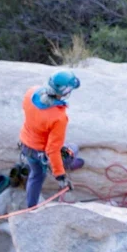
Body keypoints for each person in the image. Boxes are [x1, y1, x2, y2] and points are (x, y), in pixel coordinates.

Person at [19, 70, 81, 207]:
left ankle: (31, 207)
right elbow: (52, 150)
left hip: (26, 145)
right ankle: (68, 164)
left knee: (36, 175)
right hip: (41, 151)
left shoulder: (31, 92)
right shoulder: (58, 117)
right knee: (74, 149)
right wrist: (60, 176)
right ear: (65, 92)